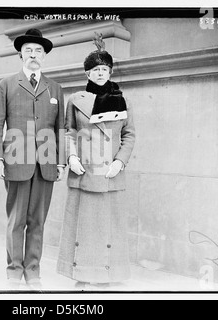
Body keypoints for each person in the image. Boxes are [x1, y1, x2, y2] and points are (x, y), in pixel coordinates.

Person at [0, 29, 65, 290]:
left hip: (46, 163)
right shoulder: (7, 84)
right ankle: (14, 270)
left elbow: (60, 129)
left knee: (37, 221)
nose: (34, 55)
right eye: (29, 50)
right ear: (21, 54)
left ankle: (33, 270)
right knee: (16, 220)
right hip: (16, 161)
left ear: (44, 56)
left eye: (38, 51)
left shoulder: (55, 88)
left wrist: (61, 161)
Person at [56, 33, 136, 289]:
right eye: (95, 69)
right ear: (87, 74)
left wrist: (119, 162)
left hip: (110, 173)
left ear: (110, 72)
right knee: (86, 225)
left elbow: (129, 135)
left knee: (109, 226)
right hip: (84, 170)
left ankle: (108, 276)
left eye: (104, 69)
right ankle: (84, 273)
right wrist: (71, 156)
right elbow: (68, 131)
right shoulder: (76, 100)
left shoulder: (122, 101)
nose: (100, 73)